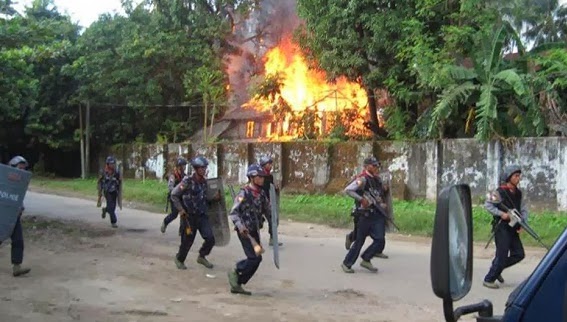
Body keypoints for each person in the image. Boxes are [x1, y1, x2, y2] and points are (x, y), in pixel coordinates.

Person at [227, 163, 271, 295]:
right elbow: (233, 213)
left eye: (263, 177)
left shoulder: (261, 194)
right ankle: (236, 270)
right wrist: (240, 226)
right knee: (253, 258)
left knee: (257, 259)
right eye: (259, 177)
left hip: (255, 231)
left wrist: (272, 221)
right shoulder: (243, 193)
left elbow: (267, 211)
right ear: (252, 178)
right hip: (245, 232)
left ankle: (238, 283)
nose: (262, 179)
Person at [341, 156, 389, 273]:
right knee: (359, 242)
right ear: (367, 166)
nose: (376, 167)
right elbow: (348, 190)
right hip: (364, 215)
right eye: (374, 165)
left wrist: (382, 202)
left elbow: (379, 195)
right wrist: (361, 199)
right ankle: (347, 263)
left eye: (377, 165)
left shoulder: (377, 180)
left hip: (377, 215)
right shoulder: (362, 179)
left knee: (380, 240)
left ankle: (366, 259)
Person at [170, 156, 218, 270]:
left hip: (201, 215)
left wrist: (214, 198)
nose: (204, 170)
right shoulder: (187, 181)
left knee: (210, 238)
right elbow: (174, 194)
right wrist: (181, 209)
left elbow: (204, 198)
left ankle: (202, 256)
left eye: (205, 167)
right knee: (187, 241)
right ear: (196, 169)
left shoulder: (204, 182)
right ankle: (179, 259)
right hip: (189, 217)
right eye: (202, 168)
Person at [483, 165, 527, 289]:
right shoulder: (499, 191)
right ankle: (489, 279)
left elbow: (523, 209)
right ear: (509, 177)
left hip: (514, 228)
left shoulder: (518, 193)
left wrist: (523, 222)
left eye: (519, 176)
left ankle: (497, 268)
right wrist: (502, 214)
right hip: (501, 228)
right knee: (501, 255)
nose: (518, 178)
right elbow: (488, 205)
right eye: (516, 176)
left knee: (519, 254)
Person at [5, 156, 32, 277]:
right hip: (3, 216)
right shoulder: (4, 180)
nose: (21, 171)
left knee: (18, 240)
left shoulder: (19, 183)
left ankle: (17, 267)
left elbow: (16, 197)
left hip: (15, 216)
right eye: (19, 168)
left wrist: (21, 207)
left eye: (23, 169)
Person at [258, 155, 282, 246]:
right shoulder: (259, 176)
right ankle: (254, 240)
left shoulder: (270, 176)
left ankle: (272, 239)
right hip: (259, 201)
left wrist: (275, 188)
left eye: (271, 164)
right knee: (256, 221)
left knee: (273, 219)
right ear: (264, 165)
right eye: (269, 164)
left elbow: (270, 187)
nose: (271, 166)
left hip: (268, 202)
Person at [161, 157, 188, 234]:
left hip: (182, 197)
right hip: (174, 197)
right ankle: (165, 222)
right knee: (174, 214)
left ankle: (182, 230)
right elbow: (170, 187)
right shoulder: (173, 176)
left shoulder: (185, 176)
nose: (184, 168)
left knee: (184, 212)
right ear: (179, 166)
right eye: (182, 166)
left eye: (184, 166)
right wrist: (177, 191)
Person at [97, 156, 121, 228]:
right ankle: (114, 222)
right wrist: (100, 193)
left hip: (114, 191)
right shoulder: (103, 172)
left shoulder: (116, 172)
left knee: (112, 207)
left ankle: (105, 209)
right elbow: (99, 182)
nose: (112, 165)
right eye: (111, 163)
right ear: (107, 164)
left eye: (113, 163)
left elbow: (119, 181)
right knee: (111, 207)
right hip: (107, 191)